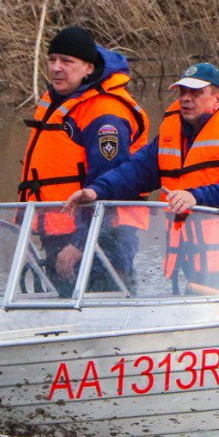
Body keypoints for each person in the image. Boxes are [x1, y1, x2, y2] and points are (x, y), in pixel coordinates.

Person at [63, 62, 219, 291]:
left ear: (217, 99)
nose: (186, 98)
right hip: (198, 263)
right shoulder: (171, 134)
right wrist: (96, 190)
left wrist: (195, 197)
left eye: (196, 92)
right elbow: (135, 172)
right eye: (183, 91)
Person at [17, 25, 148, 292]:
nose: (56, 68)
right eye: (52, 60)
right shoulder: (55, 102)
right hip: (59, 232)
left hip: (103, 237)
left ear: (88, 68)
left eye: (67, 61)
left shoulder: (105, 115)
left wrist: (80, 245)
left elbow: (110, 189)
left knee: (106, 312)